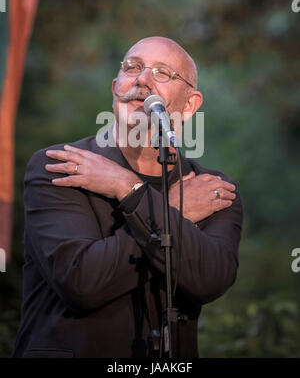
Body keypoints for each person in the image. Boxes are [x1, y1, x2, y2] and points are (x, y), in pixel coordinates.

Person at [12, 37, 243, 358]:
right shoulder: (60, 166)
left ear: (189, 105)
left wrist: (127, 189)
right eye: (132, 68)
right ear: (115, 87)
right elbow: (82, 283)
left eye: (163, 73)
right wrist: (171, 209)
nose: (142, 79)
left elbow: (211, 280)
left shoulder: (210, 189)